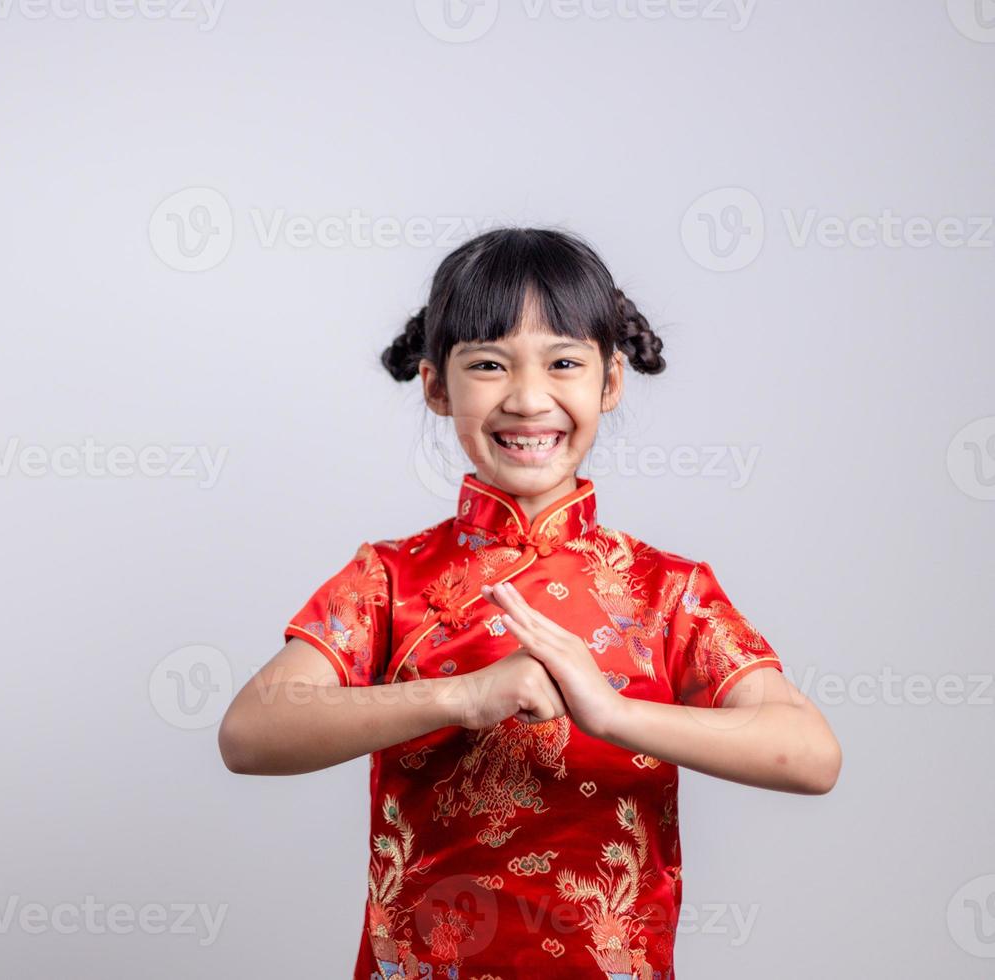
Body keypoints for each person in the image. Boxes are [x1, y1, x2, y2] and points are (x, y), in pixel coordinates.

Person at [217, 227, 842, 980]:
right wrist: (461, 695)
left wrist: (612, 716)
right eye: (487, 364)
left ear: (610, 382)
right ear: (436, 386)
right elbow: (250, 733)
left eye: (564, 363)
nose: (527, 397)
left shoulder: (664, 590)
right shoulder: (389, 579)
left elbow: (811, 755)